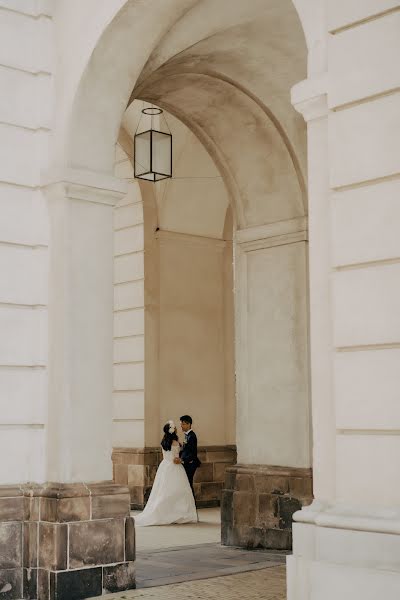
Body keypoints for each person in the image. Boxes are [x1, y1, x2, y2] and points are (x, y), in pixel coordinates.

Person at [134, 420, 197, 526]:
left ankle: (165, 511)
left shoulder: (163, 442)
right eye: (175, 427)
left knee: (163, 490)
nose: (177, 428)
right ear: (173, 431)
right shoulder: (176, 442)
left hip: (164, 466)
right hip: (175, 467)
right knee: (179, 490)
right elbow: (177, 455)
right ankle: (177, 513)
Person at [174, 415, 201, 496]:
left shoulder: (192, 436)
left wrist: (182, 460)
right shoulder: (187, 435)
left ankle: (191, 503)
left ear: (188, 424)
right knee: (186, 483)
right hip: (187, 463)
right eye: (181, 424)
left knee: (188, 483)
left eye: (183, 424)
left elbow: (193, 453)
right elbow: (187, 449)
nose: (181, 426)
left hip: (190, 464)